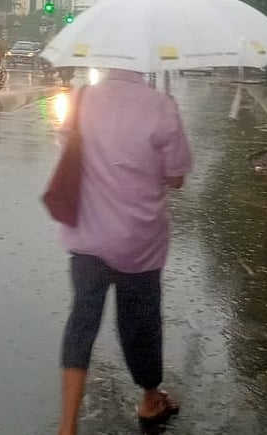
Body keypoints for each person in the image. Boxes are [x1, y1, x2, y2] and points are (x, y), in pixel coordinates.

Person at [57, 69, 193, 434]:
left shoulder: (81, 98)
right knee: (140, 325)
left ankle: (67, 424)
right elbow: (177, 175)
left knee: (82, 321)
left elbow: (66, 144)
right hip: (139, 242)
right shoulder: (162, 106)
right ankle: (151, 400)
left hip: (87, 235)